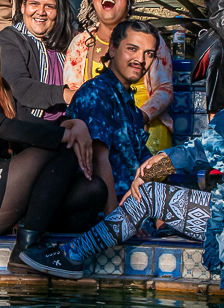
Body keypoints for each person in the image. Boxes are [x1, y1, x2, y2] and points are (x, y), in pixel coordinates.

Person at [23, 33, 224, 287]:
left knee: (149, 195)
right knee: (151, 197)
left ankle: (72, 256)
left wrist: (157, 165)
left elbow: (203, 151)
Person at [0, 6, 105, 256]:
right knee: (62, 147)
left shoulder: (1, 88)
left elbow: (29, 123)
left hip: (4, 197)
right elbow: (2, 127)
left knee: (94, 190)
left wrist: (72, 124)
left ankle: (40, 235)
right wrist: (65, 135)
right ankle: (27, 250)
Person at [63, 0, 174, 152]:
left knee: (152, 171)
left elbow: (164, 90)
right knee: (99, 170)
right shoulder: (80, 43)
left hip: (147, 127)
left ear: (128, 2)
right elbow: (74, 94)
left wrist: (139, 117)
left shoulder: (151, 38)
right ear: (93, 0)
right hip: (96, 129)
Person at [65, 19, 159, 212]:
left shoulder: (130, 104)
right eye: (132, 49)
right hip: (98, 207)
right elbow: (99, 159)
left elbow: (144, 164)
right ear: (113, 50)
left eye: (148, 54)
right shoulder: (96, 93)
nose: (141, 60)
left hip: (129, 203)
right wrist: (117, 220)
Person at [0, 0, 76, 123]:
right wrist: (68, 95)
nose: (41, 12)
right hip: (33, 129)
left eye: (49, 6)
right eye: (34, 4)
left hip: (73, 123)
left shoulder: (70, 42)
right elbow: (19, 86)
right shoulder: (9, 39)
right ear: (23, 6)